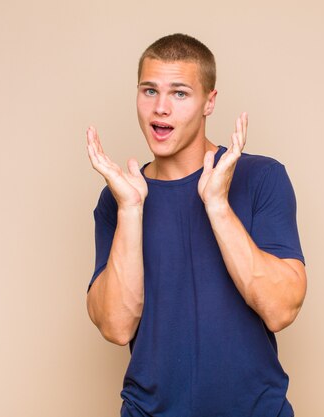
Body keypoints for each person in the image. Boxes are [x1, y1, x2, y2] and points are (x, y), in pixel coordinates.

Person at [85, 33, 307, 417]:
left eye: (180, 93)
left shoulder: (261, 177)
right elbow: (116, 327)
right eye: (149, 91)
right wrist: (131, 211)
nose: (161, 109)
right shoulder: (119, 198)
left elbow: (281, 310)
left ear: (210, 102)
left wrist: (218, 205)